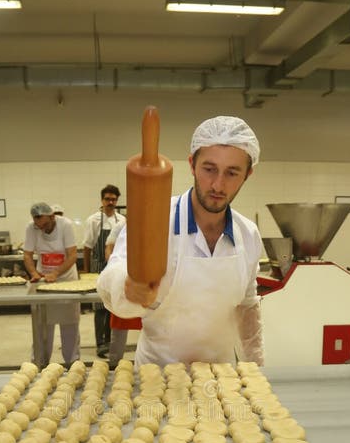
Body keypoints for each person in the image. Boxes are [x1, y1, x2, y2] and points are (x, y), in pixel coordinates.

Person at [97, 116, 265, 368]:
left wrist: (257, 367)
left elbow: (247, 306)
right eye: (209, 169)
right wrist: (127, 285)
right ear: (192, 164)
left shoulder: (248, 234)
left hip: (221, 380)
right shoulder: (154, 220)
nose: (218, 184)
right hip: (156, 376)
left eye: (232, 173)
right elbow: (114, 274)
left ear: (247, 175)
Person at [23, 201, 80, 366]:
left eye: (46, 224)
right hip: (44, 280)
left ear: (52, 216)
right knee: (42, 324)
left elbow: (72, 255)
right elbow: (27, 255)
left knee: (69, 323)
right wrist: (34, 273)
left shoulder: (66, 225)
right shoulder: (31, 227)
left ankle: (72, 363)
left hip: (67, 279)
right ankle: (40, 362)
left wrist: (56, 273)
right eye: (38, 226)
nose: (42, 229)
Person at [82, 185, 126, 358]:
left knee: (113, 305)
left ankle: (110, 342)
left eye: (113, 199)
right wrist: (86, 270)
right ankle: (100, 343)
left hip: (115, 268)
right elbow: (87, 247)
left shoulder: (121, 220)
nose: (110, 202)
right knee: (99, 306)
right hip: (98, 265)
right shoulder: (93, 220)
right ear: (102, 200)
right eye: (107, 199)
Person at [104, 217, 142, 369]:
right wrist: (115, 268)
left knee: (150, 325)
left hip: (145, 280)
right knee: (119, 326)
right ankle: (114, 364)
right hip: (122, 280)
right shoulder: (120, 226)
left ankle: (146, 365)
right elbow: (109, 248)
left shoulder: (154, 223)